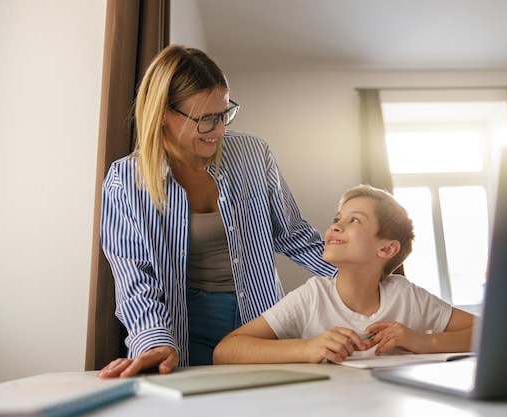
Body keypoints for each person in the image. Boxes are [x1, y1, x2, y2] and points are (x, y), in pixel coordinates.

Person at [97, 45, 336, 378]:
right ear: (164, 113)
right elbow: (135, 279)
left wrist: (362, 276)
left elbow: (293, 235)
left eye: (224, 113)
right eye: (206, 120)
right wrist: (154, 341)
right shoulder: (125, 181)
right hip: (182, 327)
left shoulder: (253, 153)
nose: (220, 130)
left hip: (260, 317)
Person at [213, 184, 476, 364]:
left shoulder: (406, 295)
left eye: (355, 220)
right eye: (337, 219)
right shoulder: (312, 296)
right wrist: (308, 347)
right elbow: (226, 352)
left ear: (386, 248)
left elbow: (487, 333)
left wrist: (423, 341)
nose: (336, 226)